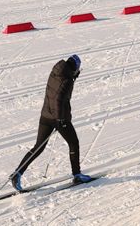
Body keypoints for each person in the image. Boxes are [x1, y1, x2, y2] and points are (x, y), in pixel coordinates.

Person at [10, 54, 90, 191]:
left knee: (38, 147)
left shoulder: (56, 73)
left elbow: (56, 89)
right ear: (75, 68)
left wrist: (72, 77)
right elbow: (58, 99)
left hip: (45, 116)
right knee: (73, 143)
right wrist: (60, 120)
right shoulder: (67, 80)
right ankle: (77, 174)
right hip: (59, 118)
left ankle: (17, 174)